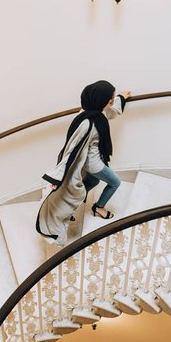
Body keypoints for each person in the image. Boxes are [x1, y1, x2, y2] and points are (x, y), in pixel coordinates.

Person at [36, 80, 131, 245]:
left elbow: (112, 112)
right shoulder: (88, 123)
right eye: (110, 99)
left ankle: (71, 207)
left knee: (93, 181)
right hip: (93, 163)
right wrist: (57, 177)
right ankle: (98, 208)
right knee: (115, 182)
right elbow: (71, 149)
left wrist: (122, 98)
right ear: (101, 101)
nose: (111, 102)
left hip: (92, 160)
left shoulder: (94, 113)